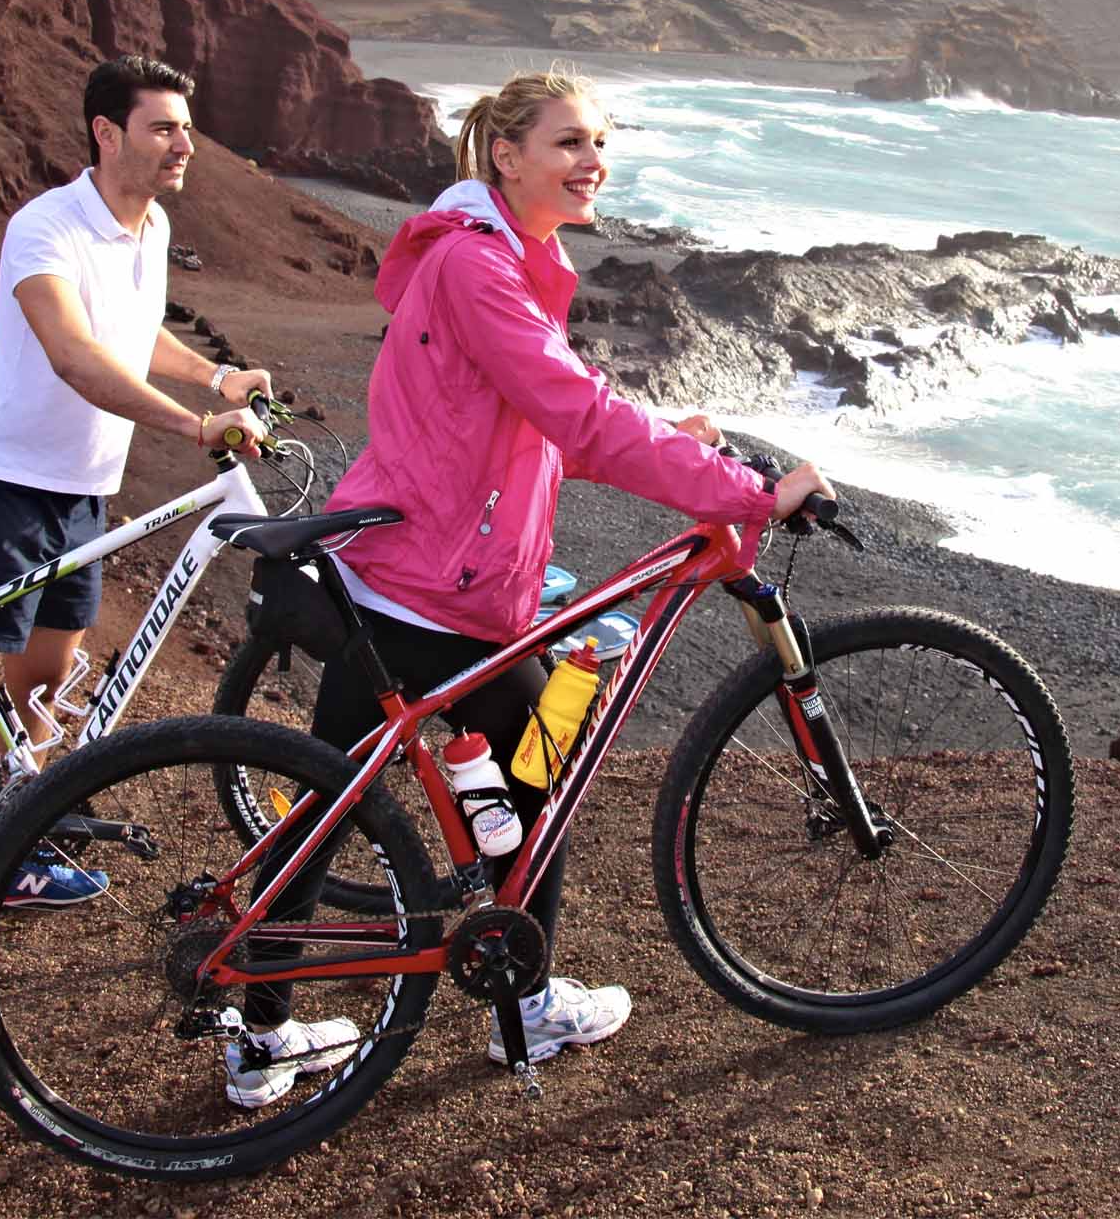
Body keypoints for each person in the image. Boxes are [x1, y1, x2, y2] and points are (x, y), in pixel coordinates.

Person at [225, 69, 830, 1106]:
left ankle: (261, 1031)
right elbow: (578, 414)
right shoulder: (480, 267)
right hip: (443, 591)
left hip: (410, 573)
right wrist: (745, 491)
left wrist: (673, 446)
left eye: (599, 143)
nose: (593, 161)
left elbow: (529, 427)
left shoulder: (503, 258)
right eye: (568, 144)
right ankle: (524, 1007)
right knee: (537, 778)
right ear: (506, 157)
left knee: (327, 807)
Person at [0, 54, 272, 947]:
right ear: (106, 133)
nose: (183, 145)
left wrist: (216, 375)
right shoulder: (45, 228)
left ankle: (16, 852)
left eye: (185, 128)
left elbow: (133, 331)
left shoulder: (148, 227)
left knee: (40, 686)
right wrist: (197, 426)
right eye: (163, 128)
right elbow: (76, 355)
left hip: (83, 494)